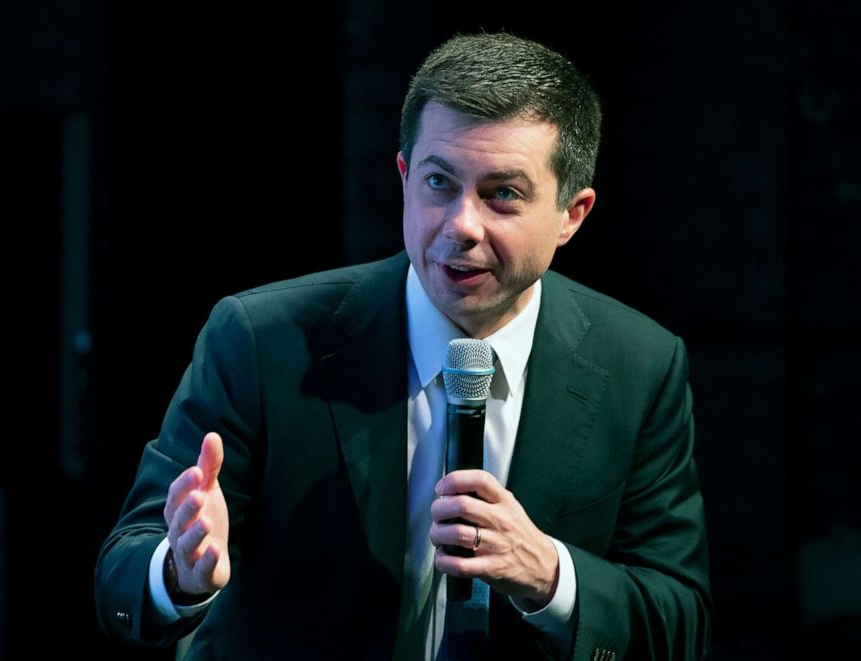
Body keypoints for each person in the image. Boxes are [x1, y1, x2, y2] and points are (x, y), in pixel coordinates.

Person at [95, 32, 711, 660]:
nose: (461, 226)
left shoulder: (639, 365)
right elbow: (125, 568)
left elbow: (680, 621)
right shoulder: (261, 339)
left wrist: (549, 575)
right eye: (440, 183)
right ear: (403, 176)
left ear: (571, 214)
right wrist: (177, 573)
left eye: (502, 194)